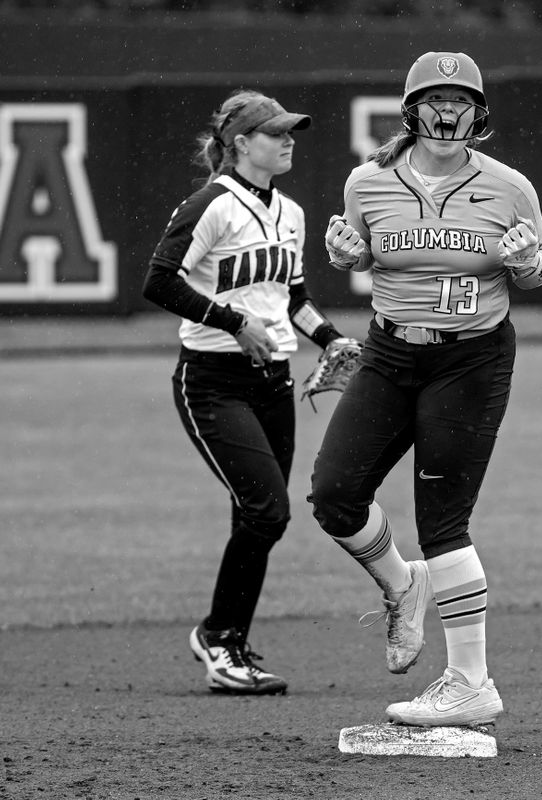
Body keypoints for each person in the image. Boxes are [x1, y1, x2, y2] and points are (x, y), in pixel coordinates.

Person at [307, 51, 542, 727]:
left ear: (480, 114)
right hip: (389, 353)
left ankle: (471, 682)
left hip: (471, 360)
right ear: (411, 111)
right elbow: (354, 249)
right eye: (434, 100)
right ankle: (401, 582)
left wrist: (528, 262)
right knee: (333, 495)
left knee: (443, 522)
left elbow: (541, 265)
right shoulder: (369, 181)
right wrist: (346, 255)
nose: (447, 113)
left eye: (461, 101)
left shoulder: (509, 186)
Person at [143, 89, 351, 694]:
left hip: (274, 383)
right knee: (268, 509)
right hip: (211, 382)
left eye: (291, 132)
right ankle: (218, 638)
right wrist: (233, 322)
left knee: (257, 516)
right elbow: (158, 281)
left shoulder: (289, 211)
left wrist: (331, 339)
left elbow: (291, 298)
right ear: (240, 143)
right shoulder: (211, 205)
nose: (288, 141)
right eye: (276, 133)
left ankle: (229, 643)